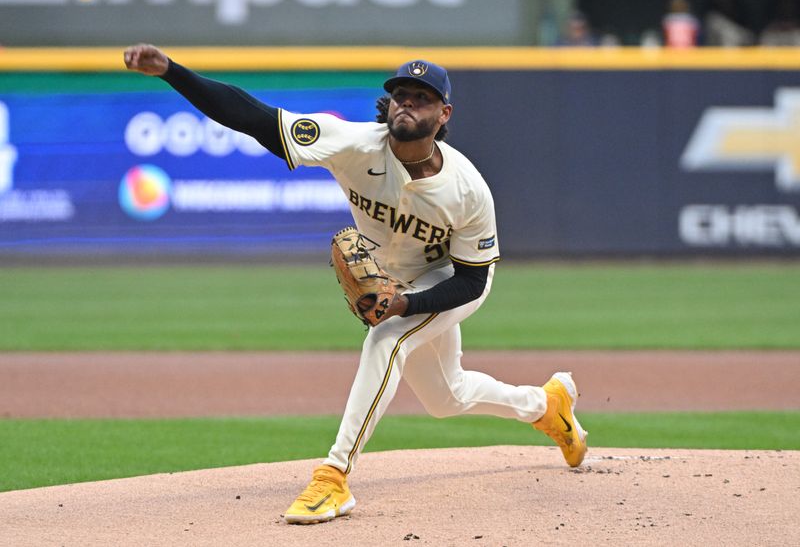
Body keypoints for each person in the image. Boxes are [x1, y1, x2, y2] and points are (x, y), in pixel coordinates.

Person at [123, 45, 588, 524]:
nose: (407, 103)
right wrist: (171, 72)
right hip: (395, 278)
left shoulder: (468, 189)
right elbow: (255, 118)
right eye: (401, 94)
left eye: (422, 98)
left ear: (444, 113)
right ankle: (546, 404)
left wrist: (407, 304)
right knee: (447, 398)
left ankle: (334, 476)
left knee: (386, 340)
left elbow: (472, 279)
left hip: (447, 279)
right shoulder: (353, 143)